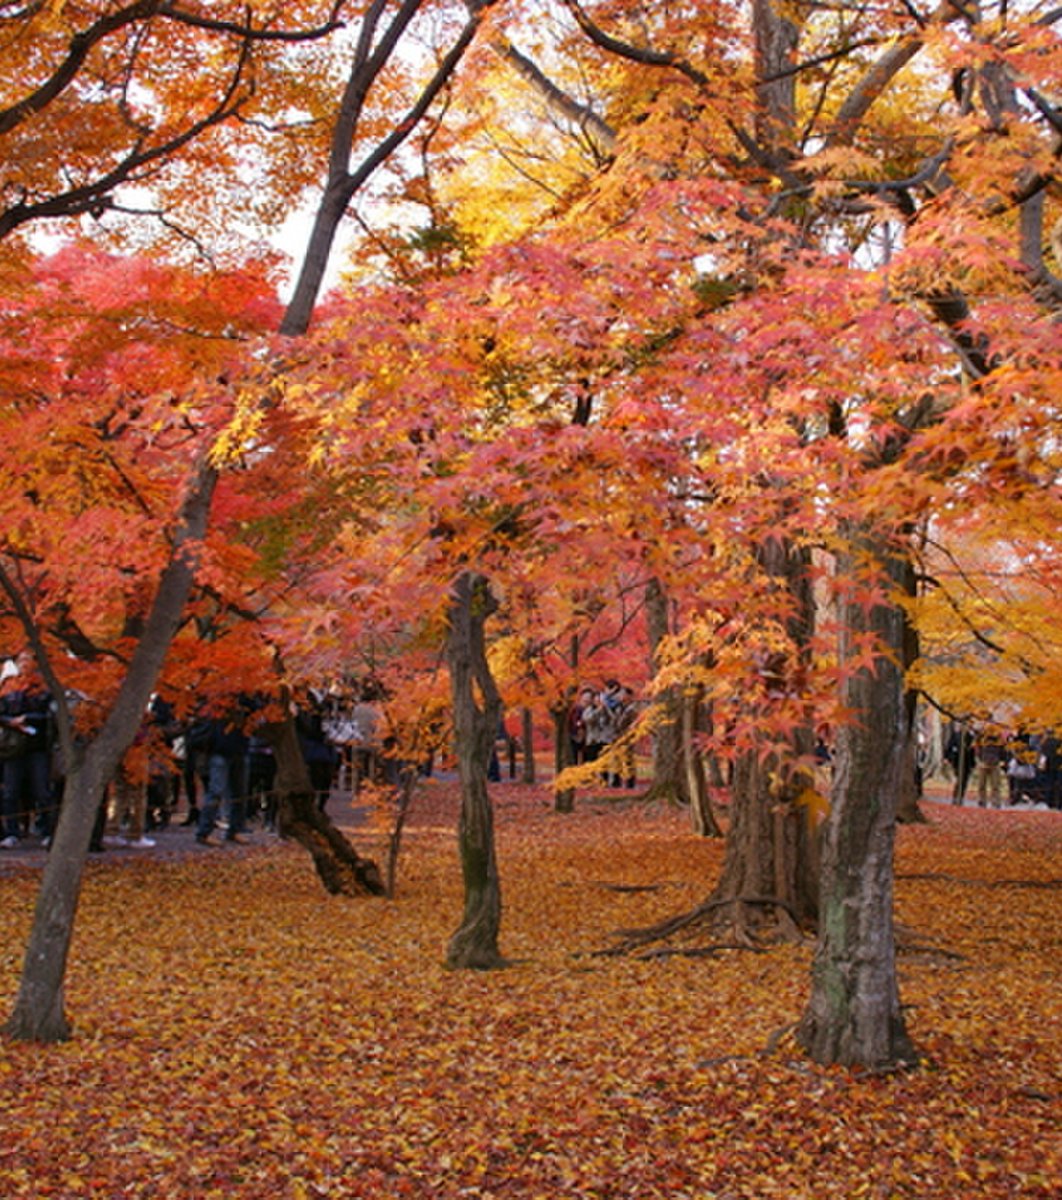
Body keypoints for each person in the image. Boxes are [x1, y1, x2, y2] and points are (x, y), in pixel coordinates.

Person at [0, 659, 56, 848]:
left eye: (28, 661)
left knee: (42, 791)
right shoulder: (9, 688)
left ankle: (48, 831)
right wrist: (10, 721)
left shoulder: (43, 689)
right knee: (10, 792)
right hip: (13, 747)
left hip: (37, 747)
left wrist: (28, 718)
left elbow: (51, 715)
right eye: (21, 661)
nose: (25, 665)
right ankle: (11, 832)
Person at [974, 727, 1005, 808]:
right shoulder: (981, 735)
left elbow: (1003, 748)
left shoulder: (998, 735)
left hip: (995, 762)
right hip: (983, 762)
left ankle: (996, 802)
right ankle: (982, 801)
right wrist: (979, 758)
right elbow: (977, 746)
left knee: (995, 785)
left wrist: (1002, 759)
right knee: (981, 784)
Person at [945, 724, 974, 804]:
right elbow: (949, 746)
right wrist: (947, 757)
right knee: (959, 778)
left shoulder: (970, 737)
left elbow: (972, 751)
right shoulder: (955, 735)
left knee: (964, 780)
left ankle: (961, 796)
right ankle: (956, 796)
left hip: (967, 762)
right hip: (957, 760)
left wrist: (973, 764)